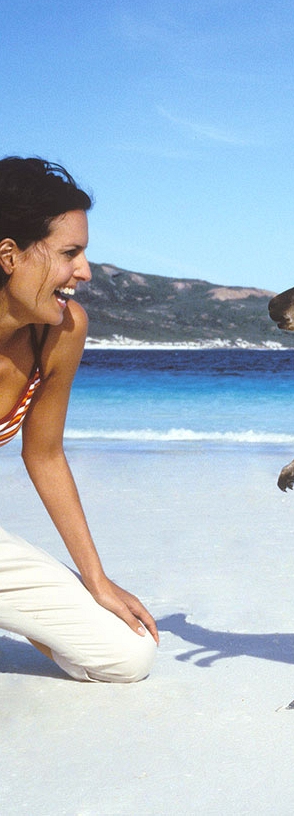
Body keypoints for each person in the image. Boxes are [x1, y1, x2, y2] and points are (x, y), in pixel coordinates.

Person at [0, 156, 157, 681]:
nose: (85, 271)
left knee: (126, 653)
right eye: (70, 253)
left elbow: (44, 454)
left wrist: (96, 579)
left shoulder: (61, 331)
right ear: (9, 255)